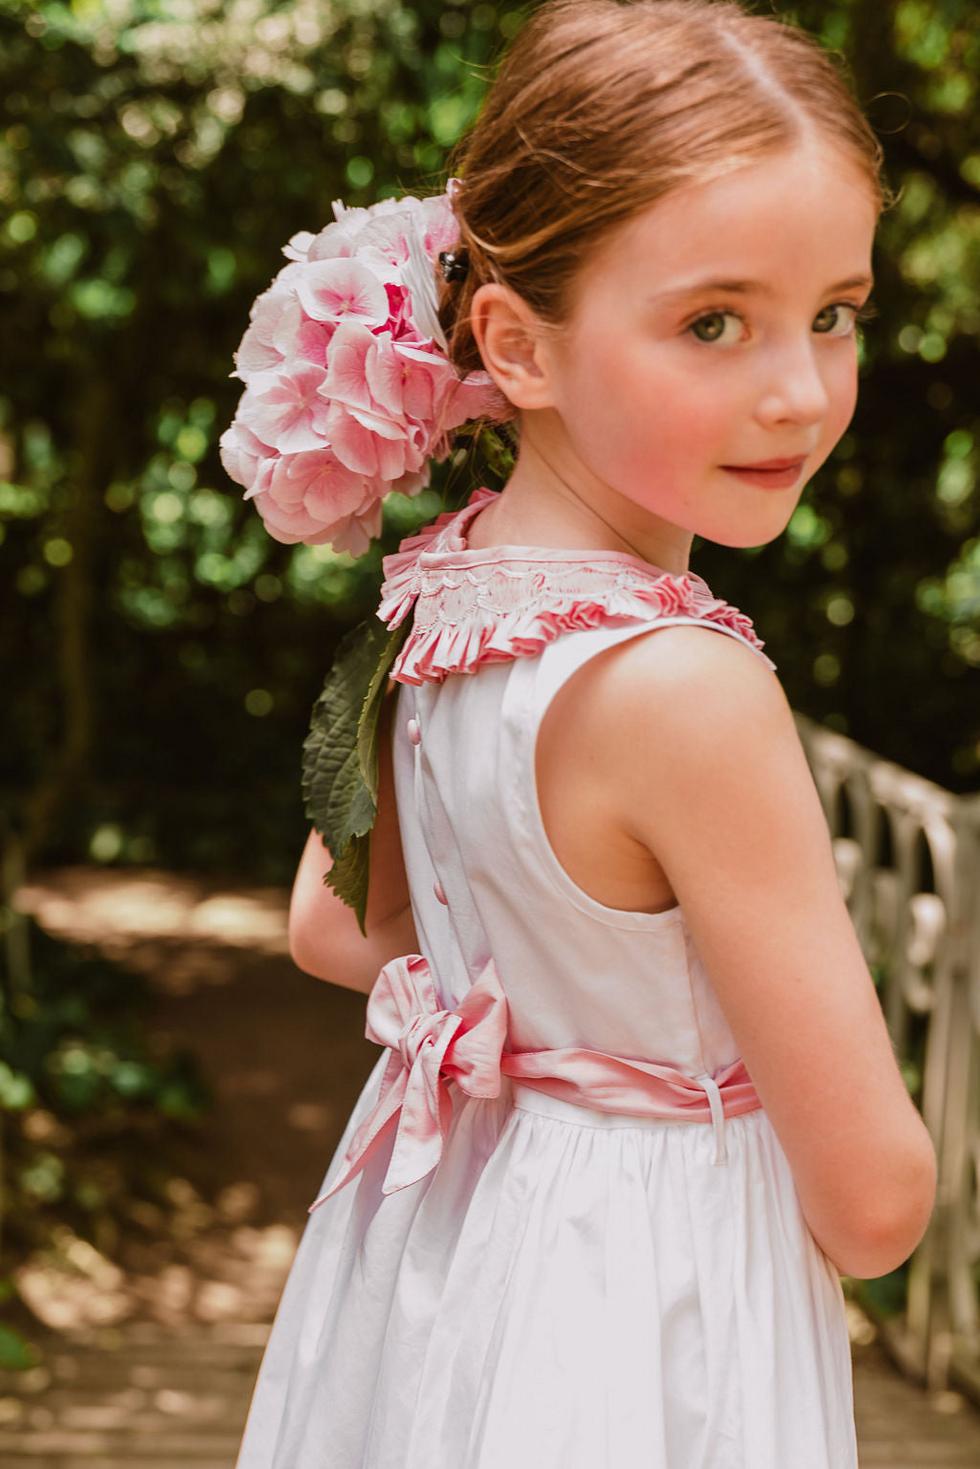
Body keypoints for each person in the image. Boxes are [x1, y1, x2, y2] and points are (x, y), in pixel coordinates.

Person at [234, 2, 937, 1465]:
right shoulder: (688, 687)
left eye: (836, 312)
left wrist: (542, 1033)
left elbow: (324, 919)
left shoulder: (441, 594)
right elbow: (875, 1201)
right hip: (639, 1300)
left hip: (451, 1247)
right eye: (714, 321)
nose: (800, 388)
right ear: (515, 344)